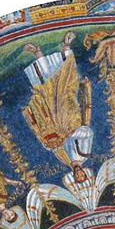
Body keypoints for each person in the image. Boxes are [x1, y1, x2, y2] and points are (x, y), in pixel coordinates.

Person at [22, 32, 93, 183]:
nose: (79, 174)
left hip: (53, 121)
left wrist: (48, 144)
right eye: (82, 175)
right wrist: (72, 134)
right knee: (66, 83)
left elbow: (53, 147)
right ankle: (66, 47)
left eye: (77, 177)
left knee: (44, 88)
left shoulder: (64, 159)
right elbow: (88, 133)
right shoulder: (84, 155)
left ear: (74, 176)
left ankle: (37, 53)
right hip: (69, 118)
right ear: (85, 172)